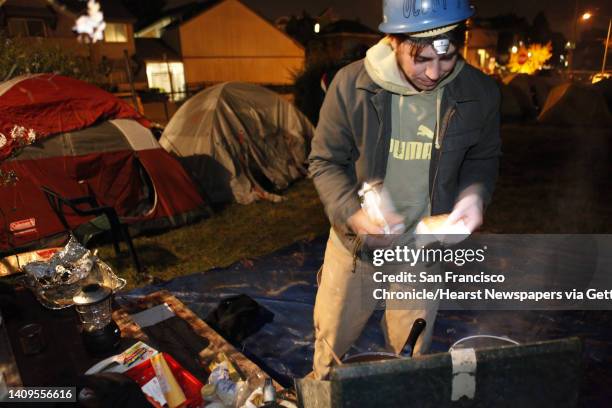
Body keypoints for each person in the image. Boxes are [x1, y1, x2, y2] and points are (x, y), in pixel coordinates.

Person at [308, 0, 501, 379]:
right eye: (421, 58)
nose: (433, 73)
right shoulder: (352, 85)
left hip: (423, 253)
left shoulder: (479, 93)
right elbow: (324, 161)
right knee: (330, 348)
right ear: (393, 40)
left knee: (409, 356)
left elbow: (483, 158)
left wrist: (474, 195)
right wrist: (352, 211)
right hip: (356, 250)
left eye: (445, 60)